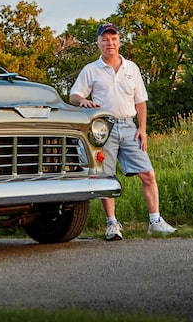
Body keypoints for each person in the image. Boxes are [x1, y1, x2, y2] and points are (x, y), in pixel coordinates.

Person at [69, 22, 177, 241]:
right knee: (106, 177)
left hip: (130, 127)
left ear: (119, 41)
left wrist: (143, 129)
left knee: (148, 174)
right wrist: (83, 100)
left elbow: (141, 102)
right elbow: (74, 96)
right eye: (105, 40)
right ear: (98, 43)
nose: (110, 43)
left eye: (114, 39)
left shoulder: (132, 68)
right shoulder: (91, 70)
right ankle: (112, 225)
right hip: (103, 129)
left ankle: (155, 221)